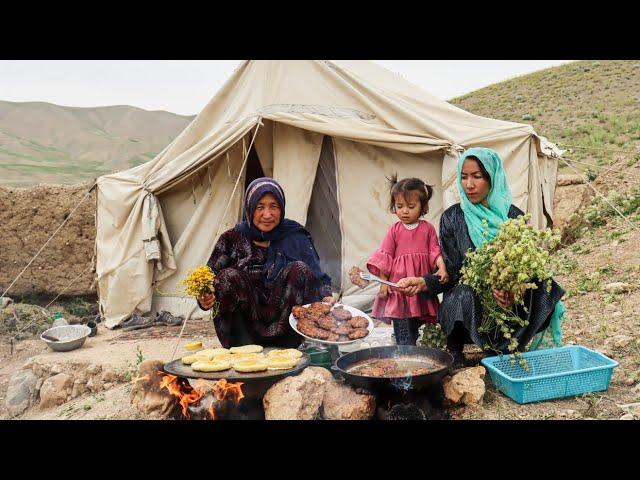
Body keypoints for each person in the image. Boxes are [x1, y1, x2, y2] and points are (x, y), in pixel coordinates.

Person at [396, 148, 565, 366]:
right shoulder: (452, 218)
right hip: (471, 312)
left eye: (477, 176)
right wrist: (424, 282)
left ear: (492, 177)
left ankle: (508, 345)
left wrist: (514, 287)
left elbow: (525, 268)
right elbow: (452, 270)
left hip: (506, 307)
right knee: (460, 293)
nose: (469, 185)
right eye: (464, 177)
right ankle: (455, 351)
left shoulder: (513, 217)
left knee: (546, 285)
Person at [197, 177, 334, 348]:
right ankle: (241, 349)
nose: (267, 214)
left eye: (274, 206)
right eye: (260, 207)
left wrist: (326, 296)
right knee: (227, 277)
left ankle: (289, 348)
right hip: (243, 329)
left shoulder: (295, 236)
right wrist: (204, 298)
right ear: (249, 207)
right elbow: (206, 279)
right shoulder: (231, 239)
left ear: (282, 208)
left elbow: (317, 275)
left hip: (286, 325)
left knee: (300, 269)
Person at [366, 174, 449, 346]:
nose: (404, 211)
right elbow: (385, 257)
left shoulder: (428, 229)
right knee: (402, 321)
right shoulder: (394, 230)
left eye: (411, 206)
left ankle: (423, 347)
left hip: (420, 286)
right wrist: (384, 283)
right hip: (400, 288)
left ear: (422, 207)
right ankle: (403, 346)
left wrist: (441, 268)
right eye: (399, 206)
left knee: (422, 320)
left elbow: (435, 251)